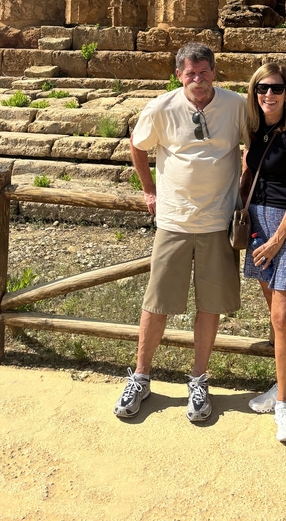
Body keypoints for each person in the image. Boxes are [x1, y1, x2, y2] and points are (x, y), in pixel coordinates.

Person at [114, 42, 250, 423]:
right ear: (179, 76)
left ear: (214, 72)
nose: (198, 79)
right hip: (173, 221)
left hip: (217, 221)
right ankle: (140, 376)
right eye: (190, 73)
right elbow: (138, 147)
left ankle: (198, 378)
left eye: (204, 71)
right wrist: (149, 190)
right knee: (157, 302)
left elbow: (250, 149)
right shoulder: (161, 107)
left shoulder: (236, 105)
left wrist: (243, 193)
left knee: (209, 304)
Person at [242, 62, 286, 444]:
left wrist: (276, 240)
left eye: (275, 88)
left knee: (284, 316)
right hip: (258, 224)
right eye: (261, 88)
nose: (268, 94)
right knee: (274, 314)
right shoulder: (255, 132)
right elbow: (248, 178)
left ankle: (284, 404)